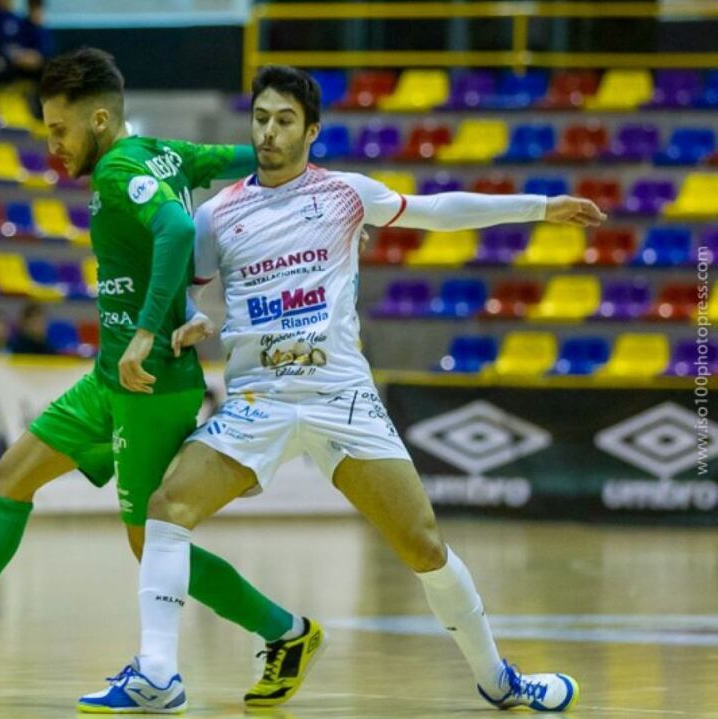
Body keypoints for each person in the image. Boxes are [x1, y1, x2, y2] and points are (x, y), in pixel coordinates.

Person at [85, 66, 607, 714]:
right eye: (260, 118)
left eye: (283, 121)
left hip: (341, 396)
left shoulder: (346, 195)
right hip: (258, 401)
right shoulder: (217, 215)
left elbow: (438, 212)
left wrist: (539, 207)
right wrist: (195, 323)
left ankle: (499, 678)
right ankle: (158, 674)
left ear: (312, 131)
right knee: (168, 508)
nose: (268, 133)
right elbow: (197, 300)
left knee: (423, 543)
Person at [0, 49, 316, 711]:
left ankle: (284, 631)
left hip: (149, 377)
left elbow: (175, 226)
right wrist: (286, 166)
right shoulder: (160, 153)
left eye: (58, 130)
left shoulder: (120, 168)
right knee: (12, 476)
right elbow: (233, 161)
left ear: (97, 118)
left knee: (152, 540)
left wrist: (146, 329)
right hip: (107, 379)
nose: (51, 146)